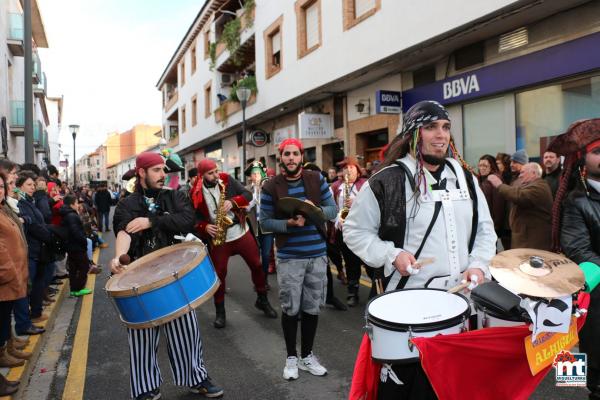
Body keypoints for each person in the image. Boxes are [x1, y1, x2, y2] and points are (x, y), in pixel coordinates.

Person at [343, 100, 496, 398]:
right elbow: (354, 230)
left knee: (456, 387)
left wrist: (479, 264)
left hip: (462, 305)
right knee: (414, 390)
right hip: (410, 308)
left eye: (445, 127)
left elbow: (484, 229)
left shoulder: (465, 176)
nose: (441, 135)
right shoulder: (386, 181)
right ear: (413, 133)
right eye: (430, 127)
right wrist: (392, 255)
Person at [111, 152, 223, 400]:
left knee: (186, 328)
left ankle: (196, 377)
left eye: (164, 170)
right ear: (141, 172)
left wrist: (150, 221)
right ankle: (145, 387)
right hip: (139, 275)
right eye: (157, 170)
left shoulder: (175, 196)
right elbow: (123, 232)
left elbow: (187, 220)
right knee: (142, 334)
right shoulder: (126, 204)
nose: (163, 175)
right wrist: (119, 257)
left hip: (173, 272)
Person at [260, 138, 337, 381]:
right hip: (289, 257)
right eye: (286, 154)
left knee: (312, 307)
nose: (291, 158)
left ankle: (307, 356)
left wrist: (313, 211)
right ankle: (291, 358)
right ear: (280, 157)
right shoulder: (270, 186)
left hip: (316, 254)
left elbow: (332, 210)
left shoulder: (317, 179)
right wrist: (289, 224)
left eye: (295, 154)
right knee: (291, 308)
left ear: (301, 156)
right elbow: (264, 222)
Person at [191, 158, 277, 329]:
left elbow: (248, 195)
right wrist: (204, 226)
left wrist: (233, 201)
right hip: (219, 238)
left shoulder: (227, 179)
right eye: (211, 173)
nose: (216, 175)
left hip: (240, 232)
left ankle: (262, 299)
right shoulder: (195, 192)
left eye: (216, 171)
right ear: (201, 176)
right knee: (220, 275)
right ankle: (220, 312)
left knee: (257, 264)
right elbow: (191, 218)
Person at [550, 119, 600, 400]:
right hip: (592, 296)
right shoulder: (575, 201)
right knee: (589, 372)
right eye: (598, 151)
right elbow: (580, 250)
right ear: (583, 159)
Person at [14, 171, 52, 335]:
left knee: (38, 282)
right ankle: (26, 321)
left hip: (39, 249)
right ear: (19, 186)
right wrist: (49, 235)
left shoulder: (31, 201)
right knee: (27, 287)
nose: (32, 187)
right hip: (31, 249)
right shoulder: (21, 203)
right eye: (29, 185)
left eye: (33, 185)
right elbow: (32, 224)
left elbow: (39, 219)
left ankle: (35, 313)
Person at [0, 172, 30, 377]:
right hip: (5, 277)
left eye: (2, 186)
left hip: (13, 273)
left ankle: (9, 347)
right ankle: (3, 352)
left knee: (5, 318)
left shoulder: (3, 209)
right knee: (2, 320)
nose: (1, 191)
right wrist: (9, 273)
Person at [488, 162, 553, 250]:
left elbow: (519, 196)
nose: (519, 176)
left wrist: (499, 185)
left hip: (531, 241)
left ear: (533, 173)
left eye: (522, 172)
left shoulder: (539, 187)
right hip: (527, 238)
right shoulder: (534, 185)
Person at [331, 157, 370, 306]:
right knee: (350, 262)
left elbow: (375, 204)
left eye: (351, 168)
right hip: (345, 230)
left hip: (364, 229)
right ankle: (352, 292)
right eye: (345, 168)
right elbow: (331, 207)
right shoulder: (335, 186)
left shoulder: (366, 184)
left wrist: (357, 201)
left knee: (369, 261)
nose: (348, 171)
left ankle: (378, 291)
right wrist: (337, 219)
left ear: (357, 170)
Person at [60, 195, 93, 297]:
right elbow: (76, 232)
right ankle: (78, 288)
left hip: (71, 245)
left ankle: (74, 289)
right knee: (84, 267)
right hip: (76, 246)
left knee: (73, 268)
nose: (78, 205)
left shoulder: (68, 214)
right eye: (76, 203)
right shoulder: (72, 215)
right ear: (71, 204)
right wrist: (84, 241)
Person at [477, 154, 506, 239]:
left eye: (485, 165)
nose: (481, 168)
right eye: (480, 165)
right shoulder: (482, 179)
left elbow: (498, 205)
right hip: (485, 222)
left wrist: (495, 226)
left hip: (491, 224)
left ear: (492, 166)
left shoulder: (494, 179)